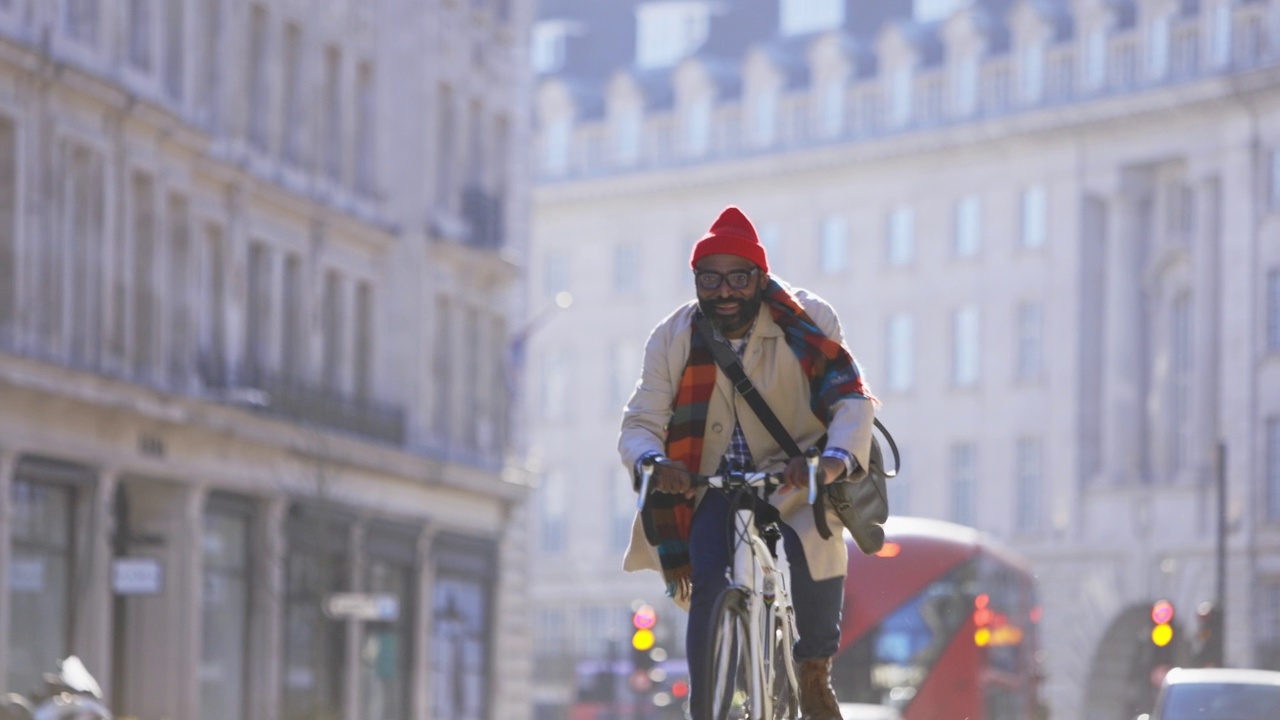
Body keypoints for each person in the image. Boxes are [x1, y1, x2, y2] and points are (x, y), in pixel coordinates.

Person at [618, 205, 877, 720]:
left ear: (760, 277)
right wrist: (652, 460)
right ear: (696, 280)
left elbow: (850, 398)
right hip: (712, 480)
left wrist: (831, 462)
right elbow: (641, 419)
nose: (725, 291)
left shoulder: (807, 320)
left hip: (795, 472)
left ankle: (813, 671)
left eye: (738, 277)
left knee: (815, 546)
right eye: (710, 279)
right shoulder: (672, 337)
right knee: (710, 578)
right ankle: (705, 709)